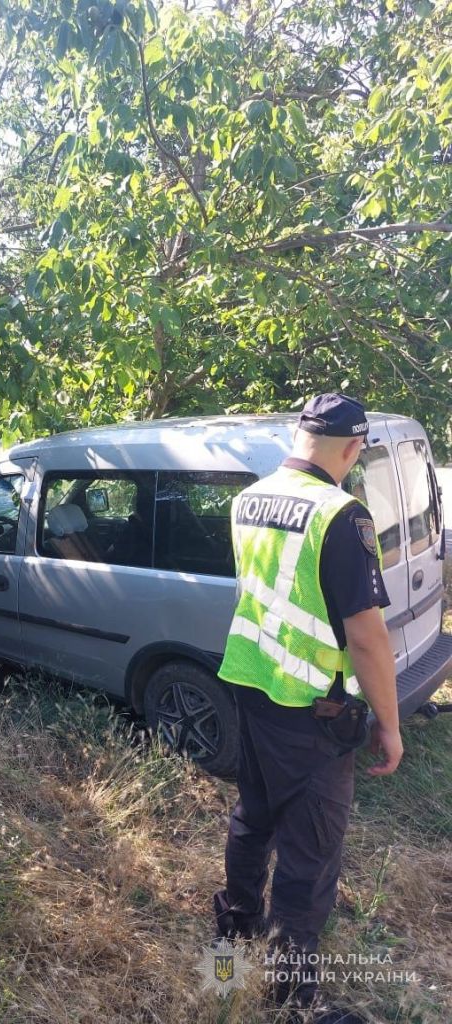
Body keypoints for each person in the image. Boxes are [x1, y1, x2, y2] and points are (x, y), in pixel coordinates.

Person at [213, 394, 403, 1021]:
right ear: (353, 449)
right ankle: (294, 997)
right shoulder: (342, 515)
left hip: (251, 682)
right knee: (309, 851)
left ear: (300, 437)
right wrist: (390, 724)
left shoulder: (249, 498)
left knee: (254, 812)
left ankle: (233, 931)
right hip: (310, 710)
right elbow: (368, 638)